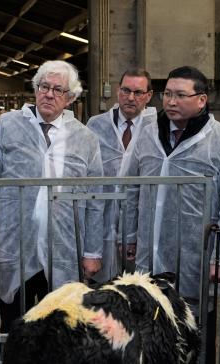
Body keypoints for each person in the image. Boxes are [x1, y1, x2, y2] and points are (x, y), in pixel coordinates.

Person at [122, 66, 220, 363]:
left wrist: (219, 257)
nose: (171, 101)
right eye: (167, 94)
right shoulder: (147, 132)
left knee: (193, 333)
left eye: (181, 95)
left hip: (195, 256)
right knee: (149, 331)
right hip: (148, 254)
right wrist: (128, 236)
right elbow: (131, 189)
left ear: (202, 100)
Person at [0, 60, 104, 333]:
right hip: (15, 245)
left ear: (70, 98)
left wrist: (92, 251)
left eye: (58, 90)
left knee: (58, 330)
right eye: (44, 86)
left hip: (63, 249)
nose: (49, 94)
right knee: (13, 326)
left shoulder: (85, 138)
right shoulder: (8, 125)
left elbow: (95, 199)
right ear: (36, 89)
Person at [86, 68, 156, 282]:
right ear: (118, 91)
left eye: (138, 92)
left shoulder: (155, 128)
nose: (131, 97)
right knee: (102, 292)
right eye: (126, 90)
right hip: (101, 217)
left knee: (137, 289)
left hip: (140, 223)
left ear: (149, 96)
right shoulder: (95, 125)